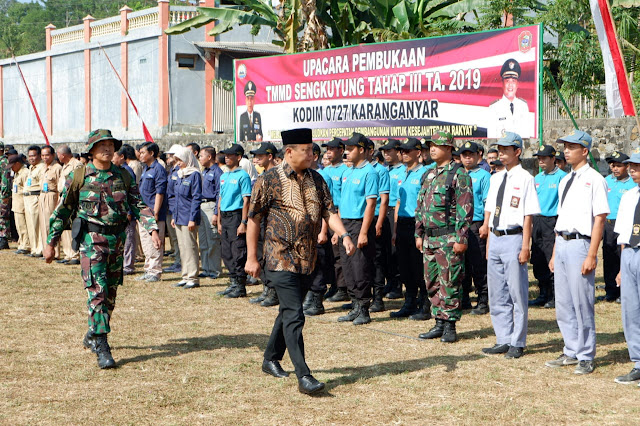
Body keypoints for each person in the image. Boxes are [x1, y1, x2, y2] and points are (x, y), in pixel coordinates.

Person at [245, 128, 355, 395]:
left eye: (312, 149)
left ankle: (270, 358)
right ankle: (304, 376)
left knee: (288, 312)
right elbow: (254, 219)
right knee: (295, 314)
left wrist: (344, 234)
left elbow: (330, 211)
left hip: (308, 259)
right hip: (279, 257)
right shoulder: (268, 179)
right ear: (290, 152)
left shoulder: (317, 179)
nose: (312, 154)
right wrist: (251, 257)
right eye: (306, 150)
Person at [44, 129, 160, 369]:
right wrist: (50, 242)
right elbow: (63, 209)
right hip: (91, 241)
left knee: (110, 295)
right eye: (102, 145)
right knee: (97, 291)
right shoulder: (79, 176)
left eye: (110, 145)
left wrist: (152, 228)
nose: (107, 149)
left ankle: (92, 332)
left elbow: (138, 204)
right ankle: (102, 344)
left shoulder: (123, 176)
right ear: (92, 150)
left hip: (117, 241)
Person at [546, 130, 609, 375]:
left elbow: (600, 218)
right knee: (563, 302)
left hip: (581, 243)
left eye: (572, 146)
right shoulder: (565, 180)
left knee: (582, 301)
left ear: (585, 151)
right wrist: (553, 252)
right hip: (562, 242)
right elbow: (560, 218)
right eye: (565, 146)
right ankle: (571, 349)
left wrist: (592, 254)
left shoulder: (595, 179)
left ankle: (585, 354)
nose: (566, 150)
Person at [481, 132, 540, 358]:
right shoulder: (496, 177)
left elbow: (528, 215)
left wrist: (525, 246)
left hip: (514, 236)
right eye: (500, 149)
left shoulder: (525, 178)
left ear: (517, 152)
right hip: (496, 237)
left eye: (506, 149)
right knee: (497, 292)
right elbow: (490, 208)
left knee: (517, 291)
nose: (502, 153)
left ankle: (518, 340)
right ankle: (503, 337)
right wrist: (487, 233)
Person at [415, 131, 473, 343]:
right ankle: (438, 321)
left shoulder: (458, 174)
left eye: (437, 145)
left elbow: (465, 209)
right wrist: (418, 233)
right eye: (430, 145)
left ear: (449, 148)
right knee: (431, 282)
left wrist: (461, 238)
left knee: (450, 281)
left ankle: (450, 325)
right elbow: (420, 206)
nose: (432, 149)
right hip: (429, 239)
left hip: (448, 238)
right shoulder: (428, 174)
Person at [337, 132, 379, 325]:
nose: (347, 152)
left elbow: (370, 204)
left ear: (361, 150)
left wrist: (363, 232)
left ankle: (364, 308)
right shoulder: (348, 171)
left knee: (360, 267)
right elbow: (339, 203)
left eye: (350, 149)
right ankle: (354, 305)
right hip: (344, 225)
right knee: (347, 266)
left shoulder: (369, 172)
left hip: (358, 224)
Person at [390, 138, 429, 320]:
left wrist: (420, 230)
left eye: (408, 150)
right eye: (402, 151)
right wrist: (396, 229)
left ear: (418, 152)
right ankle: (410, 301)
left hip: (417, 223)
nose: (403, 153)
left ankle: (425, 303)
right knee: (405, 266)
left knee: (419, 266)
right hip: (403, 224)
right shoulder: (403, 174)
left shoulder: (424, 173)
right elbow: (398, 202)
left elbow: (425, 204)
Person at [613, 151, 640, 385]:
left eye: (637, 166)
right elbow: (623, 234)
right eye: (630, 165)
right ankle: (638, 361)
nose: (632, 170)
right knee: (630, 310)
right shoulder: (629, 195)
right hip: (630, 253)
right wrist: (623, 267)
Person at [530, 145, 567, 309]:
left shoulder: (562, 177)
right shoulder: (537, 178)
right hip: (537, 220)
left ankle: (554, 294)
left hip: (552, 220)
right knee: (537, 257)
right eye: (539, 158)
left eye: (544, 158)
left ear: (554, 159)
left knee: (550, 256)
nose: (541, 161)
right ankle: (543, 292)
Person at [303, 142, 335, 316]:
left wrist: (323, 231)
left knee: (319, 263)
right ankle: (309, 295)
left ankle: (317, 300)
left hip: (319, 227)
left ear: (315, 156)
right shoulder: (305, 176)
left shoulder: (322, 177)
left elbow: (327, 208)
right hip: (307, 228)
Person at [216, 144, 252, 298]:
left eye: (230, 155)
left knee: (238, 250)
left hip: (236, 215)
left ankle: (240, 285)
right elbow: (220, 198)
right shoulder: (223, 176)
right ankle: (232, 282)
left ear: (238, 157)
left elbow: (246, 200)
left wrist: (243, 222)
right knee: (226, 251)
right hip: (224, 216)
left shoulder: (243, 175)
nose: (227, 158)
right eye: (226, 155)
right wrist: (218, 220)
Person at [459, 141, 491, 315]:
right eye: (464, 154)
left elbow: (488, 203)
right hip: (460, 225)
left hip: (476, 224)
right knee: (462, 264)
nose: (467, 158)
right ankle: (464, 298)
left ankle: (483, 300)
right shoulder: (458, 174)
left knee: (478, 263)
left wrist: (486, 224)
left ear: (478, 156)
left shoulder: (484, 176)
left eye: (470, 154)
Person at [248, 142, 280, 306]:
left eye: (260, 156)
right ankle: (267, 288)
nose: (257, 159)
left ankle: (273, 291)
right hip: (261, 221)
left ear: (270, 156)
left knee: (272, 257)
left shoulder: (277, 176)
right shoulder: (262, 175)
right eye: (255, 156)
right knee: (262, 255)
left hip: (274, 223)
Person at [602, 151, 635, 303]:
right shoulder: (607, 181)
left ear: (627, 166)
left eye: (618, 166)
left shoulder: (632, 184)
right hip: (608, 224)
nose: (615, 169)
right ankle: (611, 290)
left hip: (624, 224)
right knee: (608, 257)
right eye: (613, 165)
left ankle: (624, 290)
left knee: (623, 257)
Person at [321, 137, 350, 302]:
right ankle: (333, 284)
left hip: (338, 215)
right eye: (327, 149)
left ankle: (342, 287)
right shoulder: (325, 172)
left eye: (332, 149)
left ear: (341, 150)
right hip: (326, 216)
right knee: (328, 256)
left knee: (339, 255)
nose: (329, 152)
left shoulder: (345, 170)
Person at [170, 147, 203, 289]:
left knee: (190, 246)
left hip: (189, 216)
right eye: (176, 160)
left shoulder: (194, 174)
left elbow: (196, 198)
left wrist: (192, 218)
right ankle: (185, 274)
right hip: (178, 215)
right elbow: (175, 197)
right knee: (182, 246)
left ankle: (193, 277)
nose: (178, 163)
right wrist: (173, 216)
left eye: (180, 160)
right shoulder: (179, 174)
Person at [365, 138, 391, 313]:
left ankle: (378, 298)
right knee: (363, 261)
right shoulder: (352, 171)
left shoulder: (380, 171)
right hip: (360, 220)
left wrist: (379, 223)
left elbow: (383, 200)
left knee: (377, 260)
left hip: (375, 219)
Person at [135, 142, 168, 282]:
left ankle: (155, 271)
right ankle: (148, 269)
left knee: (155, 242)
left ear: (152, 153)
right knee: (146, 242)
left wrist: (155, 211)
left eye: (143, 152)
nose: (140, 155)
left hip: (153, 212)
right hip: (144, 211)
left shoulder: (158, 169)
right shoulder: (146, 169)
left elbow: (159, 192)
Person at [379, 138, 404, 299]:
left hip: (397, 210)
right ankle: (389, 281)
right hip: (385, 212)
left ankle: (397, 284)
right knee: (386, 250)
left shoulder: (403, 170)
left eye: (389, 150)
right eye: (384, 151)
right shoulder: (384, 170)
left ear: (398, 151)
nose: (386, 153)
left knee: (396, 251)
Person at [487, 59, 533, 138]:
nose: (510, 85)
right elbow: (491, 137)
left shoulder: (523, 106)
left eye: (513, 81)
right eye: (507, 81)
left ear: (517, 84)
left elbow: (527, 135)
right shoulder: (494, 108)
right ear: (502, 83)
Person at [112, 146, 138, 275]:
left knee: (129, 239)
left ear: (121, 157)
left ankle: (128, 266)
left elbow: (130, 194)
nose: (112, 159)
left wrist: (129, 212)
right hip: (119, 212)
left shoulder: (126, 172)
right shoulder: (115, 171)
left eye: (114, 156)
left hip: (127, 212)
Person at [198, 146, 223, 280]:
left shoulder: (217, 172)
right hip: (202, 206)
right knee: (203, 240)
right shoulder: (204, 172)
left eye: (201, 156)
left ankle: (214, 270)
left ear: (209, 157)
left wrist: (216, 213)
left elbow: (219, 193)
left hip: (211, 205)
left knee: (212, 240)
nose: (200, 159)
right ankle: (206, 268)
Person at [56, 145, 83, 265]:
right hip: (63, 197)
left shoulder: (76, 165)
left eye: (58, 154)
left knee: (73, 226)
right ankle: (68, 254)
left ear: (63, 155)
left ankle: (75, 254)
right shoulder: (64, 166)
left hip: (72, 198)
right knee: (65, 225)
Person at [38, 145, 63, 260]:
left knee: (51, 224)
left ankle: (55, 252)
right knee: (43, 225)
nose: (44, 157)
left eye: (47, 155)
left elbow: (60, 186)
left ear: (53, 155)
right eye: (42, 155)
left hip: (52, 195)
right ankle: (45, 251)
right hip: (42, 195)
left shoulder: (57, 168)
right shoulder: (42, 168)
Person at [163, 144, 183, 274]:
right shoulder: (171, 170)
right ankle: (177, 260)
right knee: (174, 237)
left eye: (170, 156)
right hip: (169, 207)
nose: (168, 158)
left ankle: (180, 262)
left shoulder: (178, 171)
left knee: (178, 237)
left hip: (175, 207)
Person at [24, 145, 45, 257]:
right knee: (30, 225)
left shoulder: (41, 167)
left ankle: (39, 249)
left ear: (39, 156)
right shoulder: (31, 168)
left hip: (35, 197)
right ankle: (34, 248)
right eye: (30, 156)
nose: (31, 158)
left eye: (34, 156)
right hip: (27, 197)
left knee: (36, 224)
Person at [8, 155, 29, 254]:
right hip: (16, 204)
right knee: (19, 226)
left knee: (24, 226)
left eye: (12, 165)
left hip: (22, 203)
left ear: (18, 164)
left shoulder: (25, 173)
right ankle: (21, 243)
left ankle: (26, 245)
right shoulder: (17, 173)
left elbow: (27, 189)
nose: (11, 168)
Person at [0, 141, 9, 249]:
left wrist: (4, 193)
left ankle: (4, 238)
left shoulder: (4, 162)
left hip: (3, 194)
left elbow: (5, 180)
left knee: (3, 216)